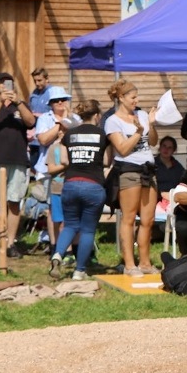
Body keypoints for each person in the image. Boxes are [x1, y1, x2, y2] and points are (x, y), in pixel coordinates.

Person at [48, 99, 109, 280]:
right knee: (88, 230)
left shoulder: (70, 134)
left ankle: (58, 254)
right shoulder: (102, 134)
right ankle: (79, 270)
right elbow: (106, 161)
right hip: (93, 184)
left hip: (71, 183)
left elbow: (65, 161)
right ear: (97, 116)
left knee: (70, 225)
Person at [0, 72, 35, 260]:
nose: (5, 87)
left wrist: (18, 103)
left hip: (17, 160)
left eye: (8, 83)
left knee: (14, 202)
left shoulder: (21, 105)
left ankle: (10, 243)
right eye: (1, 83)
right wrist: (1, 102)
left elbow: (31, 122)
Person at [105, 80, 159, 276]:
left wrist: (150, 126)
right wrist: (138, 131)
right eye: (133, 97)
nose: (137, 100)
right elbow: (123, 149)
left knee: (148, 219)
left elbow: (153, 142)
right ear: (121, 98)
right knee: (129, 219)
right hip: (128, 171)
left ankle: (145, 262)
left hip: (148, 170)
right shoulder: (113, 121)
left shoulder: (142, 115)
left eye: (137, 97)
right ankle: (130, 264)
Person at [33, 86, 77, 246]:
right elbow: (43, 140)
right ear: (50, 103)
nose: (60, 102)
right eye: (56, 100)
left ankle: (70, 245)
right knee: (52, 210)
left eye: (63, 99)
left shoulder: (76, 118)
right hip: (49, 170)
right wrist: (61, 124)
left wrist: (69, 120)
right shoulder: (45, 118)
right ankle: (54, 243)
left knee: (70, 210)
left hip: (72, 170)